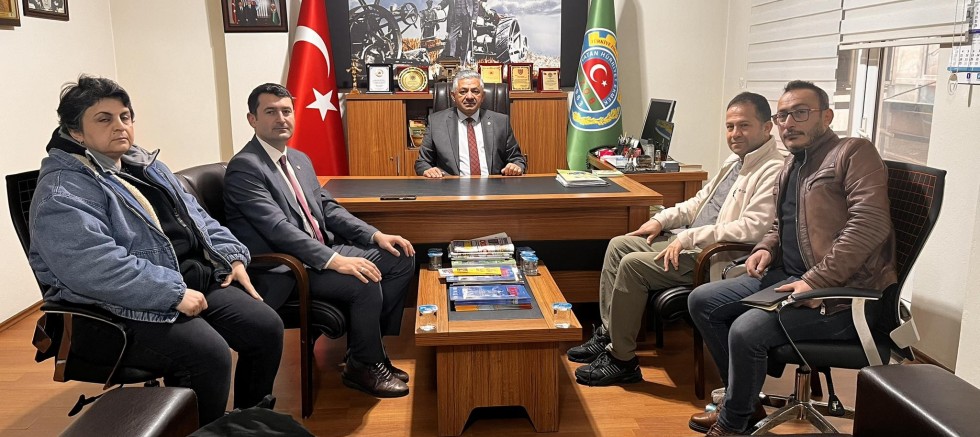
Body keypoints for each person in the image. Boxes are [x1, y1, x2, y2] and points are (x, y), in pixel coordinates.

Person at [28, 75, 283, 426]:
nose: (120, 126)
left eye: (125, 116)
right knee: (209, 354)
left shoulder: (145, 165)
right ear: (76, 132)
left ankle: (248, 425)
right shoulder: (63, 191)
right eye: (104, 119)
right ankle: (202, 432)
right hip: (115, 305)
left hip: (183, 279)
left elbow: (199, 218)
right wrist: (172, 293)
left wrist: (232, 256)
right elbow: (95, 267)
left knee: (266, 327)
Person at [687, 80, 896, 436]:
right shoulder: (792, 164)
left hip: (842, 297)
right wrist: (767, 247)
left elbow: (870, 224)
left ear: (827, 116)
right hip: (789, 278)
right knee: (702, 300)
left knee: (746, 329)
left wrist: (816, 280)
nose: (788, 123)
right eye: (782, 116)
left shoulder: (853, 153)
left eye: (800, 113)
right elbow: (780, 223)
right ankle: (743, 403)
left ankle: (733, 424)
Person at [568, 92, 785, 387]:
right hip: (692, 241)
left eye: (744, 126)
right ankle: (610, 334)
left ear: (767, 127)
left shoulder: (773, 169)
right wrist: (661, 220)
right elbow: (698, 203)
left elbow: (752, 229)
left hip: (716, 257)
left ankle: (622, 360)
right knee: (619, 245)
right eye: (730, 126)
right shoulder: (735, 161)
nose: (735, 133)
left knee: (632, 265)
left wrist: (689, 237)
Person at [224, 83, 416, 398]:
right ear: (252, 119)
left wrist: (375, 234)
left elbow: (327, 207)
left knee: (400, 256)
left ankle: (366, 351)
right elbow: (278, 229)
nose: (281, 118)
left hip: (318, 251)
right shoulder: (246, 167)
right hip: (286, 267)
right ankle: (364, 366)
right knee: (363, 278)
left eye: (286, 111)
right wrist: (335, 261)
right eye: (270, 112)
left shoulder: (298, 159)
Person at [414, 69, 526, 177]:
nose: (469, 97)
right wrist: (428, 170)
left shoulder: (500, 122)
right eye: (463, 92)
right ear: (453, 96)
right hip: (451, 187)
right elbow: (422, 162)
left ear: (483, 96)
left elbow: (517, 159)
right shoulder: (436, 122)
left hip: (493, 186)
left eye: (475, 91)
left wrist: (516, 166)